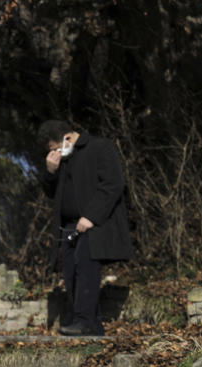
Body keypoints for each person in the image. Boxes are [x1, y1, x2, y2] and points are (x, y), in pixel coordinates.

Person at [37, 120, 134, 336]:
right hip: (70, 226)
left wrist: (91, 216)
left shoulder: (100, 147)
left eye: (55, 148)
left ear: (67, 138)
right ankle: (88, 324)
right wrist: (50, 172)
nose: (54, 153)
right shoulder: (62, 160)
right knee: (70, 271)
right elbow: (53, 193)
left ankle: (86, 321)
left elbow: (114, 184)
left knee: (86, 267)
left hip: (94, 223)